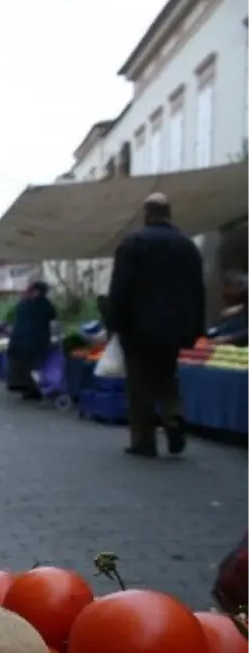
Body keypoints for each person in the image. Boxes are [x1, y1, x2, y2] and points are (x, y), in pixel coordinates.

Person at [107, 192, 205, 458]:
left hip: (138, 330)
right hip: (175, 330)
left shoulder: (133, 243)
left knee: (140, 385)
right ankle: (174, 415)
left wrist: (114, 323)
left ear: (146, 215)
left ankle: (144, 442)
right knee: (166, 376)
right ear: (169, 214)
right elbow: (198, 291)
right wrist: (196, 329)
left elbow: (120, 288)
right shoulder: (188, 246)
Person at [6, 281, 57, 400]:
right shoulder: (44, 304)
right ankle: (33, 389)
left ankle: (24, 388)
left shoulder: (22, 303)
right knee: (34, 366)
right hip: (34, 342)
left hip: (18, 341)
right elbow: (52, 317)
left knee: (22, 366)